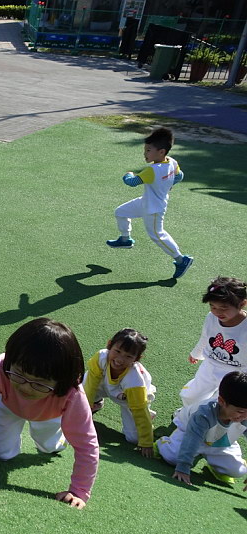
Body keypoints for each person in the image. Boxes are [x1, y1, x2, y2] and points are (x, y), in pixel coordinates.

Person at [0, 318, 99, 509]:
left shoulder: (72, 393)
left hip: (50, 415)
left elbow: (87, 445)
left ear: (63, 381)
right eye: (19, 374)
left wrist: (79, 491)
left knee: (49, 447)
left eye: (39, 383)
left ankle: (58, 439)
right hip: (6, 405)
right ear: (11, 360)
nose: (26, 388)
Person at [106, 127, 193, 279]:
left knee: (157, 235)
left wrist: (128, 174)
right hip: (146, 202)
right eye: (145, 150)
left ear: (161, 152)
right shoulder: (172, 162)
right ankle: (125, 239)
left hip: (154, 209)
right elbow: (180, 176)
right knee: (121, 212)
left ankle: (181, 260)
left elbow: (132, 182)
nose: (145, 153)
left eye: (148, 150)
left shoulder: (151, 170)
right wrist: (168, 185)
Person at [156, 371, 247, 487]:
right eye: (240, 411)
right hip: (189, 434)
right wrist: (183, 467)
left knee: (238, 471)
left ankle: (213, 466)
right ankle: (163, 443)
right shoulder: (204, 413)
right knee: (173, 458)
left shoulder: (244, 415)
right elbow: (192, 439)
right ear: (221, 401)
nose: (245, 416)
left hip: (219, 441)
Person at [83, 328, 156, 457]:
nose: (120, 359)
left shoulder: (134, 380)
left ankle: (148, 415)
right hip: (105, 385)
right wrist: (84, 409)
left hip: (130, 398)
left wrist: (146, 442)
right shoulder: (101, 357)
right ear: (109, 345)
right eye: (117, 351)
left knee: (134, 439)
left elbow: (139, 408)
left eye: (128, 356)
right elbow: (91, 384)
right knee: (85, 385)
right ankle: (96, 402)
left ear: (137, 358)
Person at [180, 276, 247, 408]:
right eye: (212, 306)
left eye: (224, 307)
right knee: (191, 395)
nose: (217, 312)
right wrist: (196, 353)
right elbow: (205, 337)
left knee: (223, 403)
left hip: (236, 373)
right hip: (211, 364)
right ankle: (187, 413)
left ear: (242, 304)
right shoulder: (211, 317)